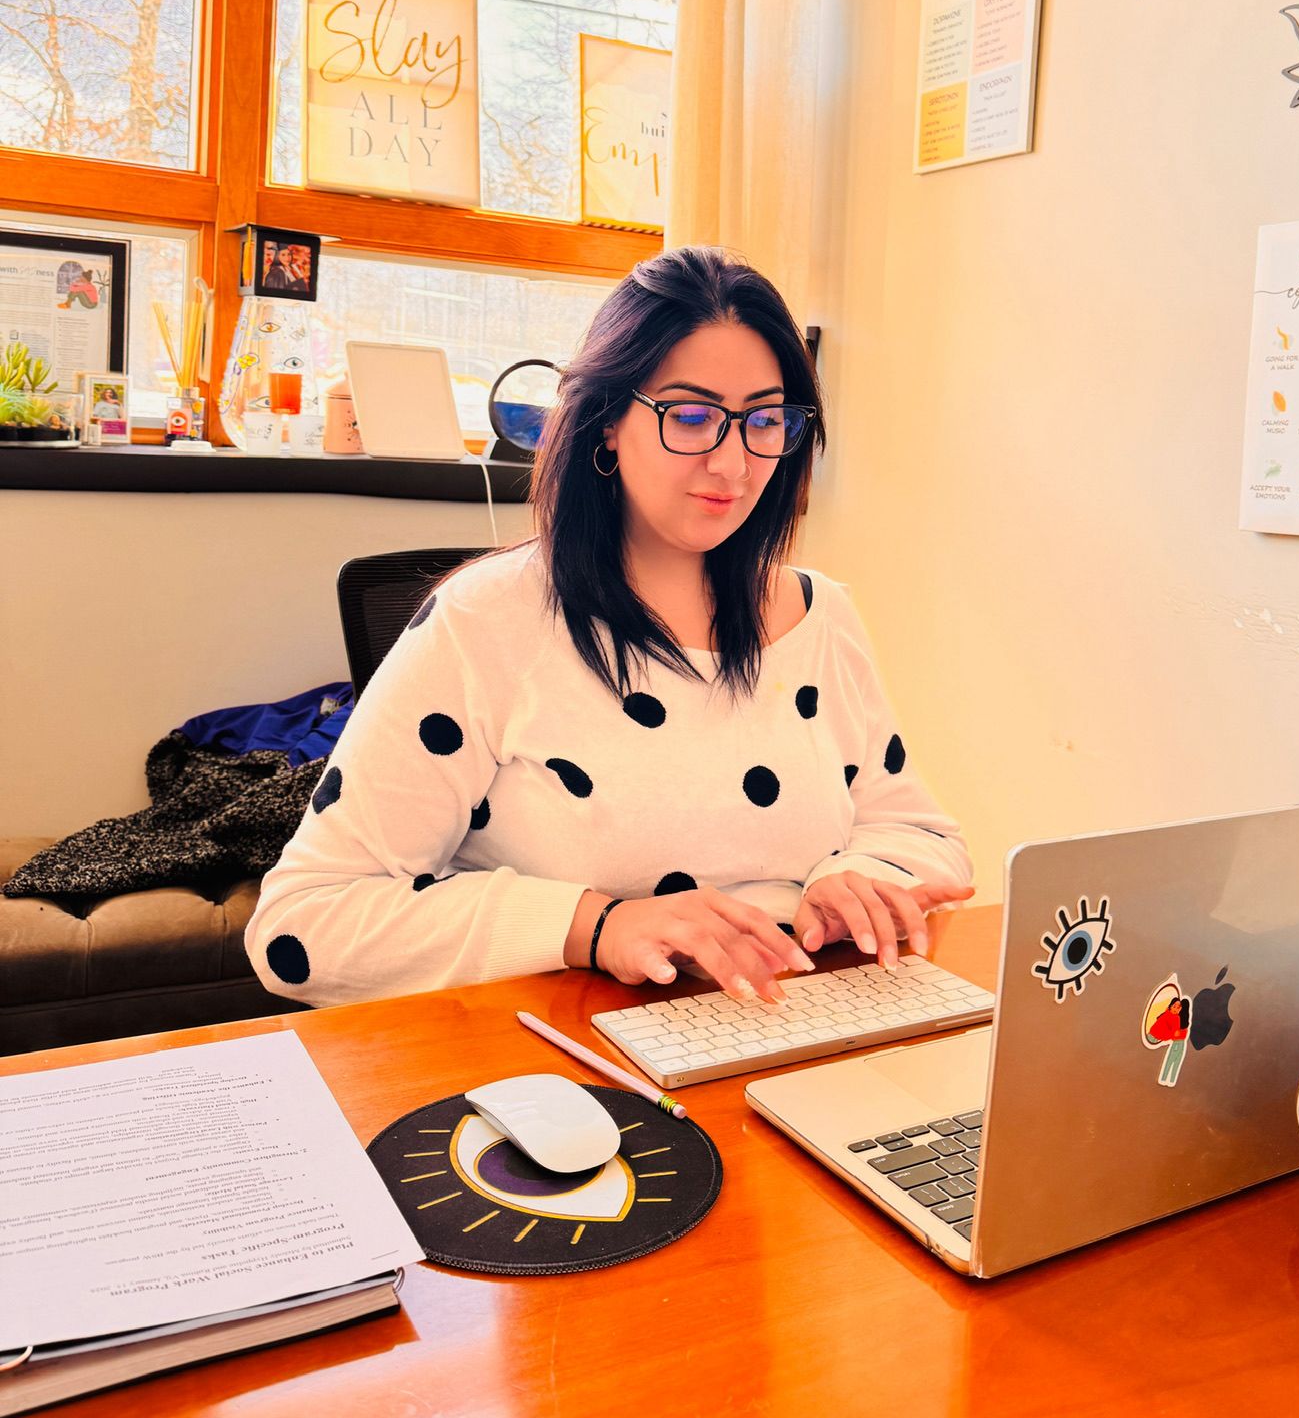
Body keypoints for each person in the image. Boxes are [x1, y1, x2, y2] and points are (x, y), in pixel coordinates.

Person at [246, 244, 974, 1009]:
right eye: (691, 416)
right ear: (607, 423)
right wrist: (594, 926)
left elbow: (922, 836)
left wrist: (862, 877)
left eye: (765, 420)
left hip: (801, 1028)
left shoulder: (820, 615)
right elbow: (305, 924)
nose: (733, 465)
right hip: (573, 1047)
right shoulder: (487, 621)